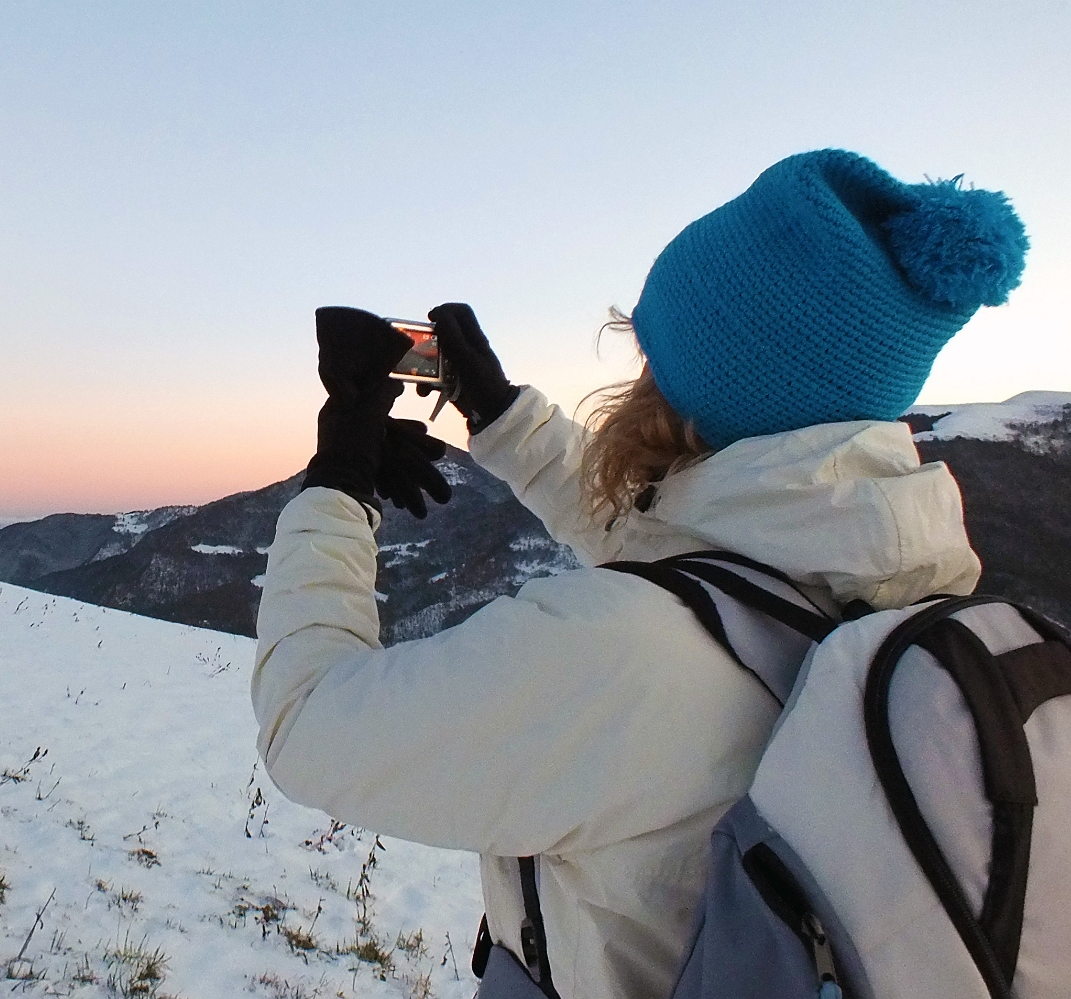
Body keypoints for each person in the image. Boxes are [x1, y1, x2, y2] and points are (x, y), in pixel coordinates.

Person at [252, 149, 1029, 997]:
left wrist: (335, 489)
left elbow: (309, 724)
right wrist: (502, 413)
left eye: (652, 357)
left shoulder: (618, 655)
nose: (636, 380)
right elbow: (695, 564)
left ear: (713, 388)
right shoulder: (887, 583)